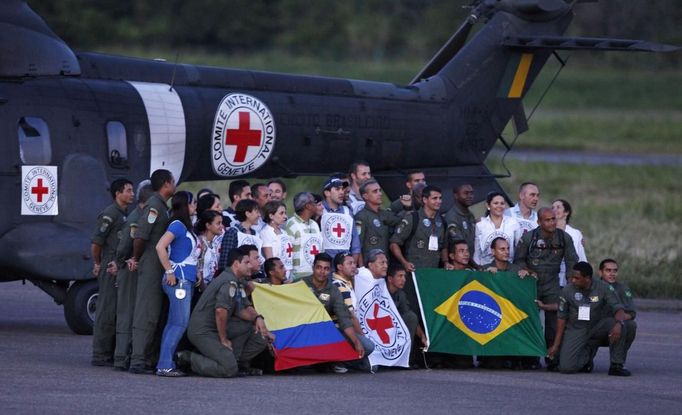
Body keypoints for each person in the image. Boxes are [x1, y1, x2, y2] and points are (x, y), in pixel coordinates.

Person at [178, 248, 274, 377]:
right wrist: (223, 339)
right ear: (236, 264)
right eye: (246, 262)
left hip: (216, 327)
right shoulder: (229, 282)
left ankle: (234, 361)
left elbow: (244, 309)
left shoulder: (237, 281)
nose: (250, 265)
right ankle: (188, 358)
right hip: (203, 331)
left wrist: (258, 319)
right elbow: (220, 311)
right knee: (228, 370)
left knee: (259, 336)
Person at [514, 206, 579, 370]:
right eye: (547, 220)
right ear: (539, 222)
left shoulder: (564, 238)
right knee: (531, 321)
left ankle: (553, 356)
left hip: (552, 282)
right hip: (531, 283)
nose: (551, 223)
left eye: (553, 219)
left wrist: (571, 282)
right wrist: (528, 271)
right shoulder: (529, 238)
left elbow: (572, 261)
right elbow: (518, 261)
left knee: (554, 321)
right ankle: (531, 357)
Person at [547, 262, 634, 376]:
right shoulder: (567, 290)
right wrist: (556, 345)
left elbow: (618, 308)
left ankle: (616, 365)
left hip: (598, 326)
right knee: (566, 368)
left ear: (587, 278)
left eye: (576, 278)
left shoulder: (603, 288)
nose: (573, 280)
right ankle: (587, 355)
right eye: (572, 277)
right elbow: (561, 318)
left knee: (627, 325)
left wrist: (619, 323)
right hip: (576, 329)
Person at [128, 169, 176, 374]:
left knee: (154, 313)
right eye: (173, 182)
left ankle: (146, 357)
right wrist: (136, 258)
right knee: (146, 313)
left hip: (157, 266)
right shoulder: (154, 207)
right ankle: (137, 359)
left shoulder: (162, 207)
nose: (174, 185)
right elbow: (141, 236)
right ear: (166, 184)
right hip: (149, 265)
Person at [154, 191, 201, 377]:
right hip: (178, 280)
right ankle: (165, 364)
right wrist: (169, 271)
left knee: (174, 323)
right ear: (185, 204)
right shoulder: (177, 225)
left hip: (185, 278)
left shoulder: (185, 226)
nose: (195, 205)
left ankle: (165, 362)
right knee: (179, 323)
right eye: (193, 202)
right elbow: (160, 246)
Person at [90, 178, 134, 367]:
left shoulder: (125, 214)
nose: (132, 194)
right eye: (128, 190)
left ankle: (110, 350)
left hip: (119, 265)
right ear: (118, 193)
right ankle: (100, 353)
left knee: (116, 308)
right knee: (106, 309)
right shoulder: (110, 214)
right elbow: (97, 243)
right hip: (110, 266)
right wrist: (98, 262)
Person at [302, 253, 371, 371]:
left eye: (326, 269)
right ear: (313, 268)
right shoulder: (300, 284)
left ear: (330, 271)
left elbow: (344, 318)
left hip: (326, 332)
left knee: (368, 346)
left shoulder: (334, 290)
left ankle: (333, 362)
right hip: (303, 331)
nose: (322, 272)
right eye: (319, 267)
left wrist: (356, 341)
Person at [113, 180, 153, 371]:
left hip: (135, 270)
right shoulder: (136, 219)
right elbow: (123, 248)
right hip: (129, 271)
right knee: (127, 314)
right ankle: (121, 357)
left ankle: (124, 356)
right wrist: (123, 262)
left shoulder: (141, 216)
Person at [390, 185, 448, 315]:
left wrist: (445, 262)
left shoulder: (441, 221)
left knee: (431, 310)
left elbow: (443, 245)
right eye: (434, 198)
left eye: (440, 198)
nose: (438, 201)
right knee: (413, 309)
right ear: (425, 200)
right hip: (414, 275)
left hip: (433, 275)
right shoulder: (413, 218)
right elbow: (394, 243)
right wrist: (404, 262)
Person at [354, 179, 401, 266]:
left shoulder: (384, 214)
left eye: (380, 190)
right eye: (375, 191)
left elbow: (400, 220)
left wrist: (404, 205)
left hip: (384, 264)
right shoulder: (361, 217)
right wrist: (361, 268)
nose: (380, 194)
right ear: (365, 196)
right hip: (369, 265)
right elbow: (357, 245)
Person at [385, 263, 427, 352]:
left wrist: (422, 336)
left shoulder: (401, 294)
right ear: (390, 279)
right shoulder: (381, 291)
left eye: (404, 276)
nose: (403, 279)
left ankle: (406, 356)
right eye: (400, 276)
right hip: (381, 325)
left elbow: (409, 317)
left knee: (411, 317)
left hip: (393, 325)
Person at [599, 258, 637, 354]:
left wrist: (618, 320)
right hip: (596, 328)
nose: (612, 274)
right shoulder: (593, 286)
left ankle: (617, 363)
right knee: (580, 365)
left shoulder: (622, 288)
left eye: (615, 271)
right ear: (600, 272)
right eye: (608, 270)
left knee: (631, 325)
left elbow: (632, 313)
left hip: (616, 328)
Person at [473, 191, 521, 266]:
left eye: (502, 203)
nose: (499, 206)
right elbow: (477, 252)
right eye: (496, 203)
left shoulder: (513, 223)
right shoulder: (480, 225)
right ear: (488, 205)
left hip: (507, 269)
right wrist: (477, 270)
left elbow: (519, 248)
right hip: (486, 269)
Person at [284, 192, 323, 281]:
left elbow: (320, 248)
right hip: (298, 276)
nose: (316, 204)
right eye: (314, 202)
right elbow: (287, 253)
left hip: (316, 275)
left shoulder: (314, 224)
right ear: (308, 206)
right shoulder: (291, 224)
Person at [320, 176, 361, 261]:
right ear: (327, 193)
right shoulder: (319, 210)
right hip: (324, 265)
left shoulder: (348, 211)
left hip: (344, 265)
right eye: (337, 189)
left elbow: (355, 242)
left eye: (342, 189)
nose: (342, 192)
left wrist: (352, 264)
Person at [218, 199, 262, 272]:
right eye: (257, 212)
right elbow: (225, 259)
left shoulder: (256, 234)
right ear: (247, 213)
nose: (259, 215)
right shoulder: (233, 232)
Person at [552, 199, 588, 287]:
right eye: (552, 208)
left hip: (570, 280)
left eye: (558, 207)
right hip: (552, 280)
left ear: (566, 212)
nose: (554, 210)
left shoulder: (575, 233)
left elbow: (581, 257)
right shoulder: (547, 231)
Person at [259, 201, 293, 280]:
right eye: (281, 213)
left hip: (289, 274)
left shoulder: (284, 232)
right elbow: (270, 260)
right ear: (271, 215)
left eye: (285, 213)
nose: (285, 216)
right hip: (277, 276)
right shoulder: (266, 233)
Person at [445, 184, 476, 256]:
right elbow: (459, 245)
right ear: (456, 195)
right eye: (466, 193)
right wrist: (476, 266)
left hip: (473, 259)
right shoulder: (452, 216)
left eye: (471, 193)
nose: (470, 196)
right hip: (461, 261)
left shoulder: (471, 215)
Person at [195, 210, 224, 287]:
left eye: (221, 223)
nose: (222, 226)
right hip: (199, 287)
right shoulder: (200, 243)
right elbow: (198, 268)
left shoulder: (213, 244)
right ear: (208, 225)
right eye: (218, 223)